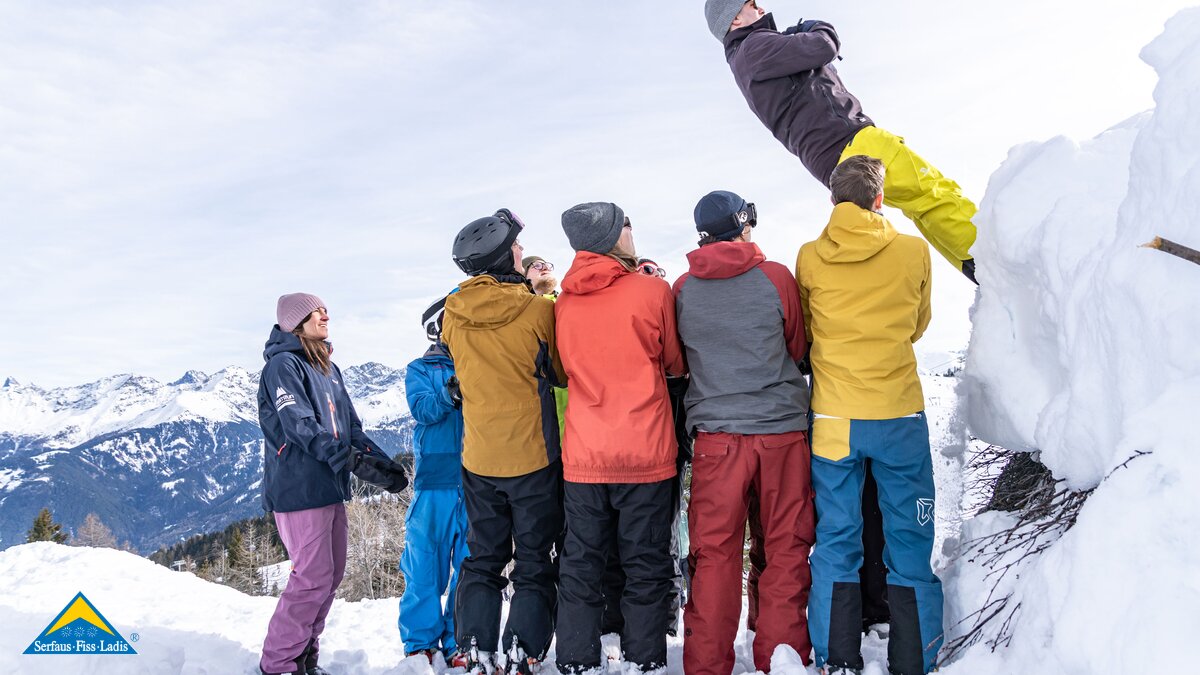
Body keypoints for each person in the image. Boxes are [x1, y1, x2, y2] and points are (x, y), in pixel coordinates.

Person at [703, 0, 979, 283]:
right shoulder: (755, 46)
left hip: (831, 163)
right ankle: (993, 260)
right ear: (734, 20)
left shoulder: (748, 59)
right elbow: (824, 46)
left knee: (919, 206)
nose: (761, 9)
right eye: (752, 4)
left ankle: (979, 269)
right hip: (854, 141)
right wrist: (817, 27)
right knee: (932, 192)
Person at [797, 156, 942, 675]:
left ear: (832, 200)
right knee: (909, 536)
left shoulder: (810, 257)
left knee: (838, 537)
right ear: (879, 198)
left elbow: (810, 329)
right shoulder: (912, 250)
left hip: (835, 418)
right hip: (898, 412)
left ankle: (838, 659)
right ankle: (914, 659)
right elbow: (918, 324)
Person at [674, 191, 815, 673]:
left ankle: (707, 664)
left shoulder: (683, 289)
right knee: (785, 547)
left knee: (714, 555)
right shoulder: (775, 278)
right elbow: (797, 344)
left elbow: (681, 359)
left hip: (717, 438)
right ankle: (781, 660)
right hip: (781, 434)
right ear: (743, 224)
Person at [553, 202, 686, 673]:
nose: (633, 231)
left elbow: (563, 372)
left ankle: (574, 659)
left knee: (581, 564)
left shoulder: (564, 304)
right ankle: (644, 661)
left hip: (585, 456)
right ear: (614, 236)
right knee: (646, 566)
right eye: (627, 224)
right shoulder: (653, 291)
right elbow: (674, 363)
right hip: (645, 454)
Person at [442, 209, 566, 673]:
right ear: (502, 256)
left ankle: (474, 648)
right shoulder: (538, 310)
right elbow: (560, 372)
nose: (521, 252)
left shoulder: (452, 315)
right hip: (532, 456)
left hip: (478, 458)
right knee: (534, 560)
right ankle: (523, 650)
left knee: (482, 558)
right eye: (516, 247)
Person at [257, 293, 407, 675]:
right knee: (311, 577)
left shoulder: (327, 368)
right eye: (317, 311)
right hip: (298, 489)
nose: (326, 315)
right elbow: (300, 425)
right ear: (296, 321)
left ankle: (305, 657)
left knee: (331, 574)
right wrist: (349, 459)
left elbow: (351, 429)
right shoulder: (283, 366)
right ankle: (279, 663)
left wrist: (381, 464)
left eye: (325, 309)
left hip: (329, 486)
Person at [398, 294, 469, 663]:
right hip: (435, 483)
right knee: (425, 566)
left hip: (477, 480)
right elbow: (422, 409)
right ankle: (420, 643)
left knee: (470, 567)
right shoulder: (420, 369)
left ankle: (460, 641)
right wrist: (452, 390)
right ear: (441, 328)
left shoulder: (481, 360)